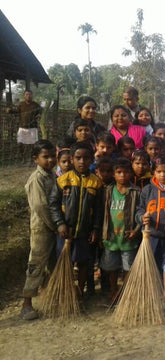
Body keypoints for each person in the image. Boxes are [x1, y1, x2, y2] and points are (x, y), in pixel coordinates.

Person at [49, 142, 103, 298]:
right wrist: (60, 224)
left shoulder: (95, 182)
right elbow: (53, 204)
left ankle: (79, 292)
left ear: (92, 160)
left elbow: (99, 210)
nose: (82, 162)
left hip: (84, 233)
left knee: (84, 262)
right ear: (71, 159)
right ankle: (65, 293)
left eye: (86, 158)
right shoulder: (62, 180)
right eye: (78, 158)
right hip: (66, 232)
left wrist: (96, 229)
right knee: (64, 263)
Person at [21, 140, 57, 320]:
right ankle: (27, 303)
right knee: (36, 263)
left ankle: (48, 298)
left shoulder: (52, 175)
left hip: (53, 227)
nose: (50, 160)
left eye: (53, 156)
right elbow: (41, 206)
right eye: (45, 157)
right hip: (42, 228)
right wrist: (55, 225)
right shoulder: (37, 179)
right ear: (36, 159)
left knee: (52, 264)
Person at [100, 158, 141, 302]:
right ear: (113, 174)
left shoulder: (136, 191)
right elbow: (102, 214)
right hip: (111, 237)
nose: (122, 176)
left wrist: (136, 230)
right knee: (111, 267)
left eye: (126, 172)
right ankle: (113, 290)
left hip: (128, 237)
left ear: (131, 174)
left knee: (128, 267)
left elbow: (140, 213)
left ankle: (125, 291)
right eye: (119, 172)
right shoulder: (108, 191)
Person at [8, 90, 42, 163]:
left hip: (33, 127)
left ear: (32, 95)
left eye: (30, 94)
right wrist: (10, 111)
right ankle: (23, 158)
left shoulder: (36, 105)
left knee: (33, 144)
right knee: (20, 143)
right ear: (24, 96)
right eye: (27, 94)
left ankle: (32, 159)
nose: (28, 96)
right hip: (22, 127)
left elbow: (41, 112)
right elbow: (17, 111)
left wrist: (39, 115)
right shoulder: (21, 104)